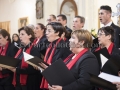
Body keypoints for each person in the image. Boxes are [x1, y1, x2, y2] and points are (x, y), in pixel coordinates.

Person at [39, 22, 71, 90]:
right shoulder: (50, 45)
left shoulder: (64, 46)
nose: (46, 33)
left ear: (57, 32)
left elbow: (66, 67)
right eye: (46, 30)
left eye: (49, 31)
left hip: (58, 82)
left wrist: (50, 68)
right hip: (49, 78)